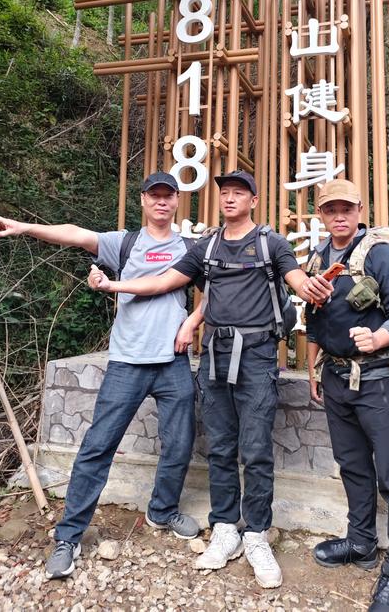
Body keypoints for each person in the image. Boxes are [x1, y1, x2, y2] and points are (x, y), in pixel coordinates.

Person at [87, 170, 332, 589]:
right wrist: (114, 284)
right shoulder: (207, 246)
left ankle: (256, 534)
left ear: (253, 201)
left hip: (257, 356)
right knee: (219, 446)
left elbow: (294, 277)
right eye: (225, 193)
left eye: (239, 193)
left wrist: (309, 287)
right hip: (216, 354)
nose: (230, 198)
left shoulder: (271, 243)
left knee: (256, 449)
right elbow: (164, 281)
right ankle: (224, 527)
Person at [0, 172, 200, 580]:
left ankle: (162, 511)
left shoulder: (189, 247)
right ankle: (68, 536)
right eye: (154, 195)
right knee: (98, 447)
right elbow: (75, 233)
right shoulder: (124, 243)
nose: (161, 202)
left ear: (177, 201)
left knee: (179, 444)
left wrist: (191, 322)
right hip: (127, 362)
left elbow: (216, 289)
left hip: (172, 361)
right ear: (143, 200)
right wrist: (26, 227)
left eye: (168, 196)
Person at [305, 179, 389, 612]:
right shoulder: (319, 256)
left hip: (378, 380)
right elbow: (313, 319)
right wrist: (312, 370)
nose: (339, 216)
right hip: (335, 379)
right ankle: (361, 543)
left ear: (359, 210)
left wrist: (379, 337)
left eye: (346, 208)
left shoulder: (379, 253)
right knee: (352, 466)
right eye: (330, 209)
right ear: (320, 214)